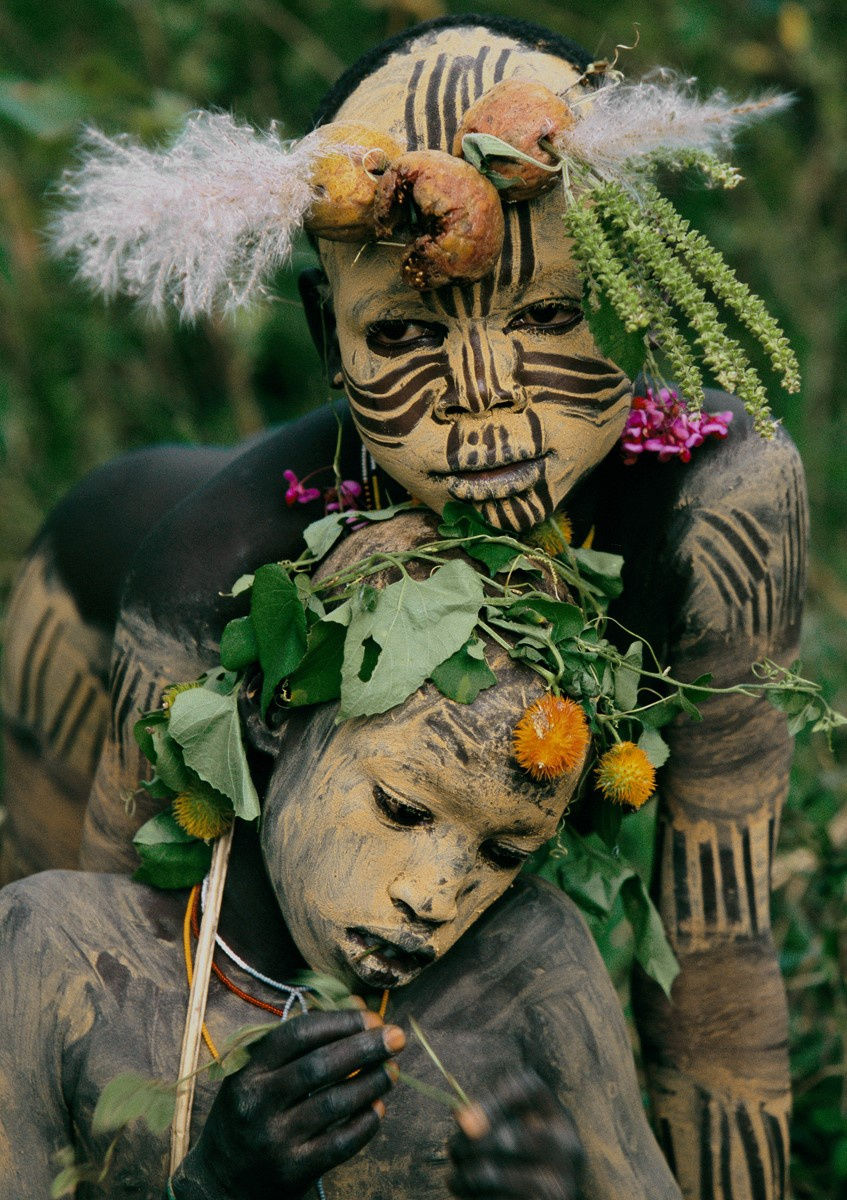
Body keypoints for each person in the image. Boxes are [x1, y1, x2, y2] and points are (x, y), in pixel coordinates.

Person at [0, 13, 803, 1198]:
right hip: (81, 621)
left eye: (548, 314)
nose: (487, 395)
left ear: (634, 293)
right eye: (407, 332)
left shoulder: (717, 502)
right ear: (329, 337)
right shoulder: (209, 568)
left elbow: (720, 947)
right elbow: (122, 1023)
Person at [0, 513, 681, 1200]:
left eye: (503, 853)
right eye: (402, 810)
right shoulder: (56, 949)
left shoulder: (529, 967)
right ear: (274, 713)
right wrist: (215, 1188)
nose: (434, 899)